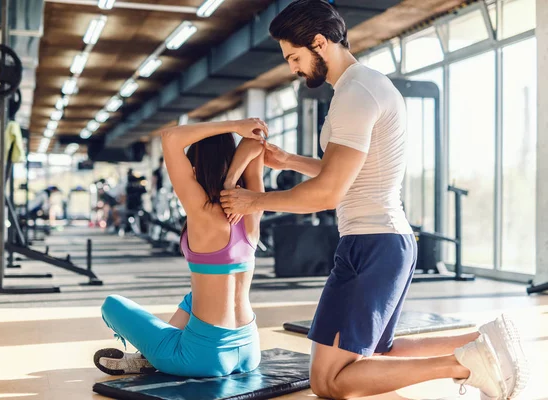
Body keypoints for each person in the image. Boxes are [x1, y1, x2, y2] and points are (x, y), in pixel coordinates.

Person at [219, 1, 528, 399]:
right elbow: (350, 173)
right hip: (379, 241)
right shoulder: (359, 87)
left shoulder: (356, 94)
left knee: (329, 382)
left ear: (319, 42)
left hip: (373, 244)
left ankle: (463, 365)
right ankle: (481, 341)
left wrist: (251, 202)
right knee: (375, 351)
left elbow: (328, 193)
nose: (294, 68)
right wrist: (290, 161)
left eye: (295, 57)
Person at [94, 118, 268, 378]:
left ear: (195, 168)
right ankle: (149, 355)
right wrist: (235, 155)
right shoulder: (252, 209)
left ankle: (150, 357)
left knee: (111, 305)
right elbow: (256, 141)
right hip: (250, 349)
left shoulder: (201, 210)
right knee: (195, 295)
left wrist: (234, 124)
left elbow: (170, 138)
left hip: (203, 358)